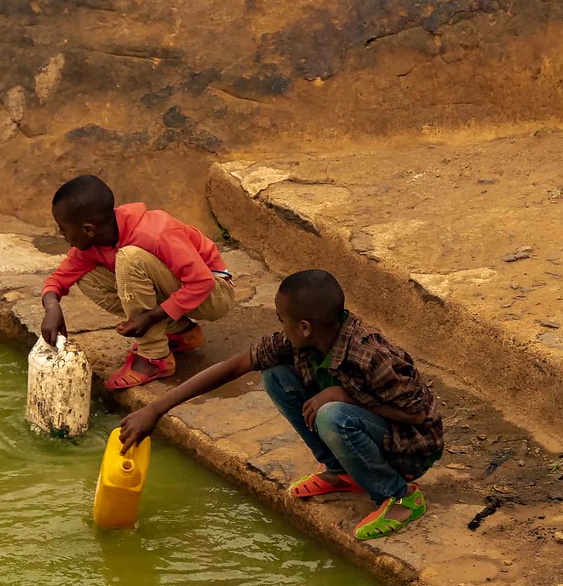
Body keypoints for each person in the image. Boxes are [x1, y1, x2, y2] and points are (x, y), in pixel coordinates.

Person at [117, 269, 441, 541]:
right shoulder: (297, 341)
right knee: (274, 375)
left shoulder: (370, 355)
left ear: (304, 326)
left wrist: (344, 395)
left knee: (332, 415)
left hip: (408, 450)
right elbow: (234, 366)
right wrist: (156, 409)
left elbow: (417, 413)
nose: (279, 327)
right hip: (366, 430)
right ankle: (342, 471)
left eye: (281, 319)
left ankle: (398, 495)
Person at [39, 174, 235, 390]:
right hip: (178, 290)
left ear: (88, 230)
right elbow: (59, 278)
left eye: (63, 228)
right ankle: (180, 331)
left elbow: (201, 282)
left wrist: (150, 317)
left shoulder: (155, 232)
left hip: (214, 293)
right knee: (86, 277)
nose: (60, 233)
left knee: (129, 258)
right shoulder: (93, 244)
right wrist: (52, 307)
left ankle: (153, 358)